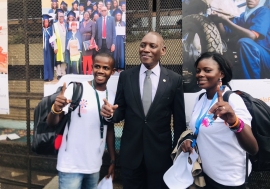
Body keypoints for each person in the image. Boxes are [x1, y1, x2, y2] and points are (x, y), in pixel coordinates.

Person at [100, 32, 186, 189]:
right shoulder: (126, 77)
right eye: (142, 45)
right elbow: (120, 110)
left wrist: (176, 154)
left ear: (163, 50)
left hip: (160, 157)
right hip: (131, 156)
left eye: (152, 46)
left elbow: (179, 121)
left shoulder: (174, 80)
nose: (145, 49)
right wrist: (111, 114)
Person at [181, 52, 258, 188]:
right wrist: (189, 140)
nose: (200, 74)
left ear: (221, 74)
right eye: (198, 71)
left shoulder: (232, 100)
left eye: (207, 70)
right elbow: (199, 129)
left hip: (229, 179)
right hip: (206, 175)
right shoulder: (200, 99)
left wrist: (234, 122)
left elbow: (253, 148)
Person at [47, 52, 116, 189]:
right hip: (70, 166)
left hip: (94, 166)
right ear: (92, 67)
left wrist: (113, 160)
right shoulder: (76, 89)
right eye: (97, 66)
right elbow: (52, 122)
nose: (100, 71)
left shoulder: (111, 97)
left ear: (112, 72)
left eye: (105, 68)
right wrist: (56, 109)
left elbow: (110, 130)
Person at [209, 0, 270, 79]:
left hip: (266, 57)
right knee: (228, 46)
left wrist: (226, 21)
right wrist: (218, 20)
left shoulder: (264, 12)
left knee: (245, 43)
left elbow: (252, 36)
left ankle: (252, 85)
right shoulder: (242, 16)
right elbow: (224, 35)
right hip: (253, 56)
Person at [53, 9, 67, 80]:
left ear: (64, 17)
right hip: (58, 45)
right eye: (60, 17)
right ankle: (58, 74)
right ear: (58, 17)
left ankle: (63, 73)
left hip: (64, 45)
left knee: (63, 60)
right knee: (58, 60)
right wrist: (55, 46)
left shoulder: (65, 25)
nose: (61, 18)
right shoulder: (55, 25)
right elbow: (53, 37)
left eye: (62, 16)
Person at [42, 14, 54, 81]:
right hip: (44, 48)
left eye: (47, 22)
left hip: (49, 48)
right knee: (45, 62)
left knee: (49, 61)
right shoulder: (42, 30)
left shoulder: (50, 30)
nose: (46, 23)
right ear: (43, 23)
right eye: (45, 22)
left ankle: (50, 76)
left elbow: (52, 38)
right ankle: (45, 77)